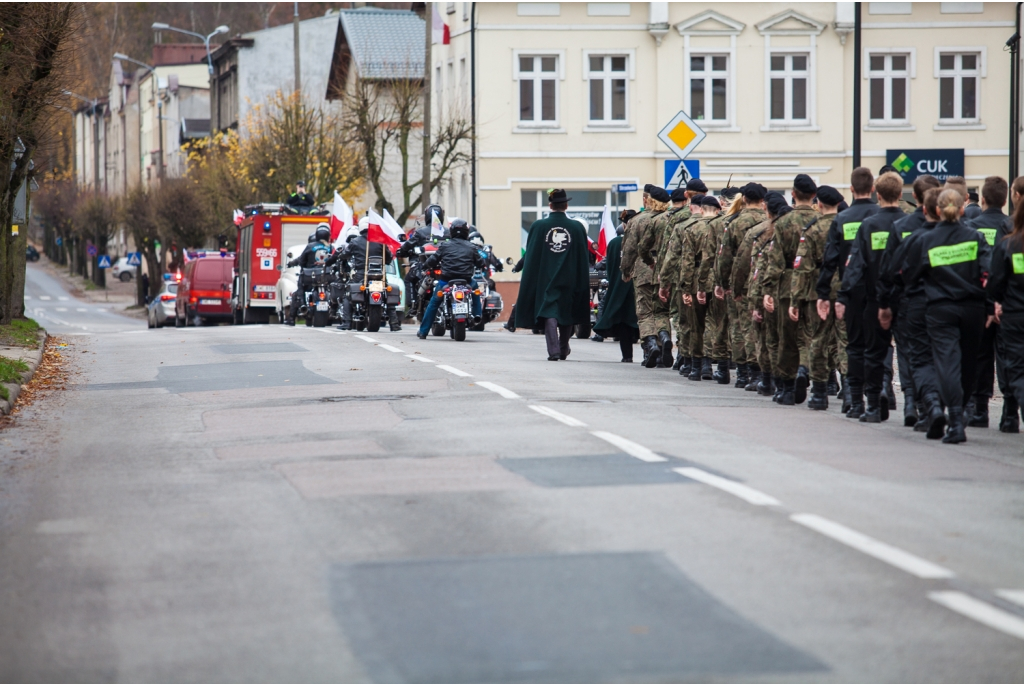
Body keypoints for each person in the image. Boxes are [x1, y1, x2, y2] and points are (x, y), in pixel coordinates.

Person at [902, 187, 991, 443]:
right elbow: (988, 275)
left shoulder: (925, 240)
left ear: (937, 211)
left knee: (947, 362)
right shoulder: (975, 238)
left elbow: (910, 275)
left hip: (940, 308)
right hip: (973, 308)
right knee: (967, 365)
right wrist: (989, 305)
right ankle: (961, 410)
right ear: (963, 208)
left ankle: (954, 421)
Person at [837, 171, 905, 422]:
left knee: (867, 350)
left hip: (872, 297)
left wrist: (843, 296)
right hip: (906, 297)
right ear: (900, 194)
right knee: (910, 353)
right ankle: (916, 409)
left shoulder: (870, 225)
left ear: (878, 193)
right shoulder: (909, 224)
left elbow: (855, 264)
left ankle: (867, 405)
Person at [878, 174, 943, 428]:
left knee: (911, 354)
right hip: (946, 301)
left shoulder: (903, 227)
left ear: (915, 196)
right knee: (941, 355)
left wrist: (885, 303)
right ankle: (935, 406)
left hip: (909, 302)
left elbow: (890, 270)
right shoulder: (957, 229)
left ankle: (911, 403)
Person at [817, 167, 879, 418]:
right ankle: (876, 396)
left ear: (851, 190)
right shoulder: (880, 217)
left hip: (851, 290)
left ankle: (854, 402)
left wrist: (822, 292)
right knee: (877, 346)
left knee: (854, 345)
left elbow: (829, 259)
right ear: (872, 188)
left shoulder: (842, 219)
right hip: (879, 289)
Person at [762, 174, 820, 405]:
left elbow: (774, 260)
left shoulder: (784, 222)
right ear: (814, 195)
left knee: (787, 337)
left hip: (787, 284)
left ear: (793, 195)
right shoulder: (822, 220)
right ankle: (806, 370)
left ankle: (787, 387)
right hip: (817, 284)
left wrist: (768, 288)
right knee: (811, 335)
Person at [514, 189, 591, 360]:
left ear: (550, 205)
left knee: (549, 311)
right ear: (566, 205)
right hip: (570, 278)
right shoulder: (577, 228)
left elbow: (532, 256)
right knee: (566, 311)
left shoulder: (538, 226)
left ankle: (554, 350)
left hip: (546, 278)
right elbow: (582, 257)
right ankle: (563, 348)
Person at [964, 176, 1013, 428]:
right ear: (1006, 199)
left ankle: (980, 410)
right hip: (1008, 302)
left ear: (982, 199)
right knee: (1008, 356)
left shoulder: (972, 226)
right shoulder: (1012, 227)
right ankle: (1010, 413)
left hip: (980, 301)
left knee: (981, 356)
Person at [790, 185, 844, 410]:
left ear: (819, 203)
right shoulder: (848, 225)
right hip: (846, 288)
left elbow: (803, 268)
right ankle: (850, 390)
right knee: (844, 339)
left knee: (818, 339)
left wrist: (796, 299)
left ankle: (820, 392)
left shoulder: (813, 229)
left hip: (818, 290)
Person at [714, 183, 767, 384]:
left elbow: (725, 257)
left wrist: (721, 282)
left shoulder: (734, 222)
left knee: (738, 327)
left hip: (739, 283)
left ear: (743, 198)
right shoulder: (768, 220)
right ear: (763, 200)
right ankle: (760, 372)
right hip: (764, 281)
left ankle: (745, 374)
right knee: (761, 327)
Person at [985, 175, 1024, 434]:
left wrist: (995, 304)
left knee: (1015, 366)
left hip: (1016, 314)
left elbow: (996, 282)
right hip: (1013, 311)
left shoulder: (1010, 243)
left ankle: (1011, 412)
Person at [621, 186, 672, 367]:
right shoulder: (671, 219)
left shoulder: (638, 221)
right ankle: (664, 339)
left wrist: (626, 271)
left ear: (646, 200)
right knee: (662, 310)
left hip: (644, 269)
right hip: (666, 268)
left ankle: (651, 345)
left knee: (644, 312)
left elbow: (629, 249)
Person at [416, 219, 486, 339]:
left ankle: (423, 332)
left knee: (434, 303)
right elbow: (480, 263)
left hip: (446, 281)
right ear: (466, 232)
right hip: (467, 280)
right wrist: (481, 264)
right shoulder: (472, 247)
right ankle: (477, 315)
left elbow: (433, 260)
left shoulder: (445, 246)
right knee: (476, 293)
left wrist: (424, 265)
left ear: (452, 231)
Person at [330, 218, 400, 331]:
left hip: (362, 274)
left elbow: (345, 254)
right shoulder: (381, 241)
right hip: (380, 274)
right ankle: (394, 323)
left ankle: (347, 323)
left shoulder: (355, 241)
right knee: (387, 292)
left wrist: (341, 256)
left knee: (348, 294)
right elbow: (388, 258)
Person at [593, 226, 639, 362]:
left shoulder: (613, 243)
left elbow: (609, 266)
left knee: (622, 321)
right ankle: (650, 351)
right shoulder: (639, 239)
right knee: (642, 319)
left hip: (618, 287)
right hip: (638, 286)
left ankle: (627, 356)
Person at [285, 223, 333, 325]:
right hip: (326, 276)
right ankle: (334, 308)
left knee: (299, 290)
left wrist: (304, 265)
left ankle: (296, 313)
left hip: (311, 276)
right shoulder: (330, 247)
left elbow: (302, 260)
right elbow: (334, 260)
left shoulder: (310, 246)